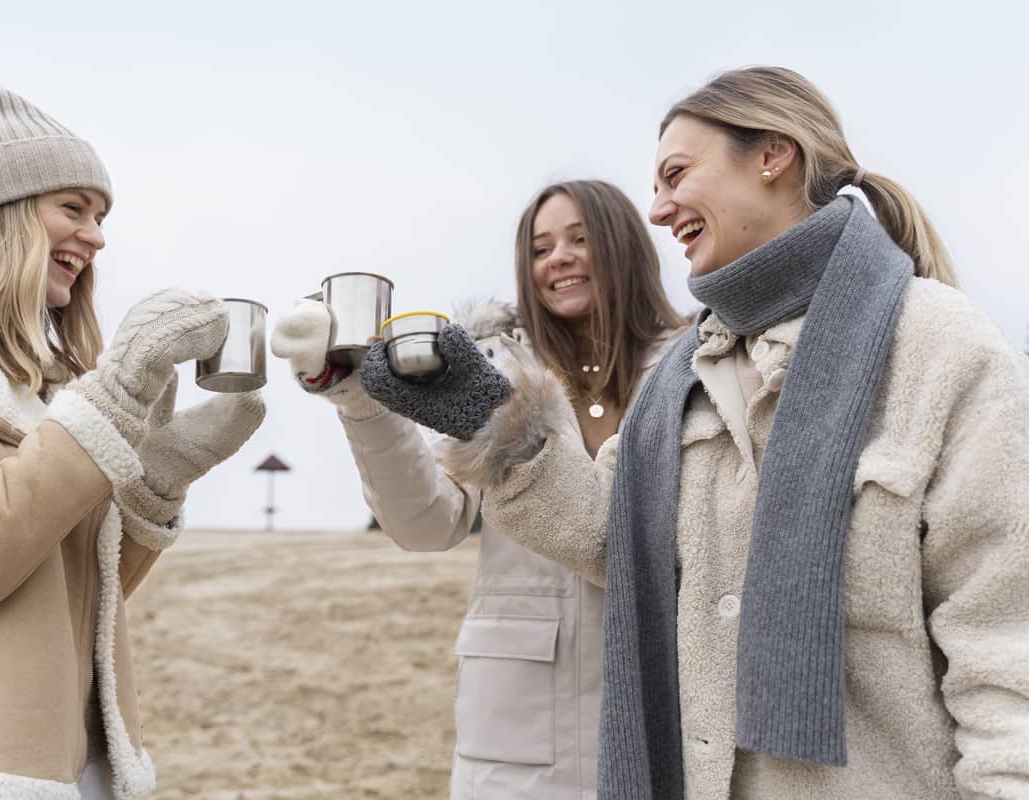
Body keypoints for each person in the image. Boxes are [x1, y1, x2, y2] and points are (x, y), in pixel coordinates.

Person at [363, 66, 1029, 800]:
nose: (657, 207)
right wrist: (485, 414)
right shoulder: (690, 373)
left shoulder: (941, 347)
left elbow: (1005, 640)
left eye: (676, 174)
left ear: (775, 155)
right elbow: (609, 535)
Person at [0, 75, 264, 799]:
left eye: (101, 216)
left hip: (65, 763)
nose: (96, 236)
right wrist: (116, 393)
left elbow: (78, 593)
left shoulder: (46, 383)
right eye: (74, 208)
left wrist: (159, 480)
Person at [271, 180, 685, 798]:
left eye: (580, 239)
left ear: (627, 248)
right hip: (519, 727)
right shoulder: (489, 371)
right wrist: (363, 404)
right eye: (540, 248)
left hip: (667, 698)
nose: (559, 258)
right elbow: (426, 524)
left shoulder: (695, 365)